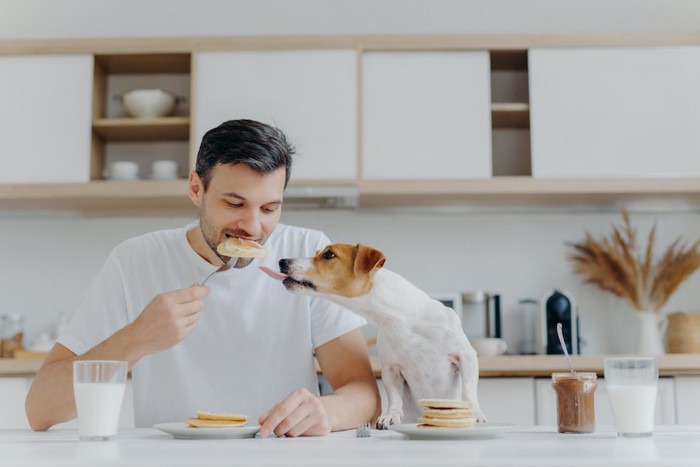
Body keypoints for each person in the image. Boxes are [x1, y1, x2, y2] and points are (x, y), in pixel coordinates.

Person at [25, 119, 381, 437]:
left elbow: (363, 394)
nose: (253, 228)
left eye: (270, 208)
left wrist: (326, 412)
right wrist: (137, 339)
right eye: (235, 204)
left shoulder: (309, 253)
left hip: (279, 454)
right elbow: (40, 410)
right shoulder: (135, 261)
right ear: (196, 189)